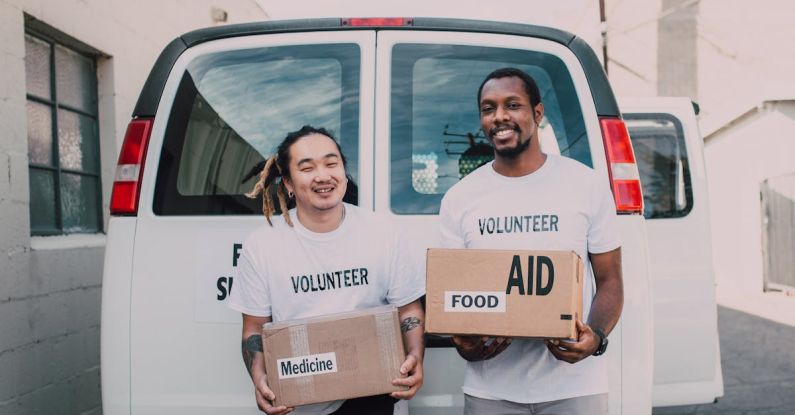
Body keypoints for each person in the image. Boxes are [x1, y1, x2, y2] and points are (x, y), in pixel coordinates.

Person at [438, 67, 624, 414]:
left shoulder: (584, 185)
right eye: (488, 108)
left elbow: (611, 281)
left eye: (513, 105)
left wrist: (595, 337)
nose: (500, 117)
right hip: (490, 390)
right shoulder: (460, 199)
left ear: (537, 113)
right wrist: (465, 345)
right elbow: (453, 298)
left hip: (575, 387)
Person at [228, 125, 425, 415]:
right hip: (298, 403)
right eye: (307, 168)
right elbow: (254, 328)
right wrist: (259, 378)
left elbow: (409, 309)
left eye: (331, 164)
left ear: (344, 172)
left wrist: (416, 357)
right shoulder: (263, 245)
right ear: (288, 183)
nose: (323, 176)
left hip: (372, 396)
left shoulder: (384, 232)